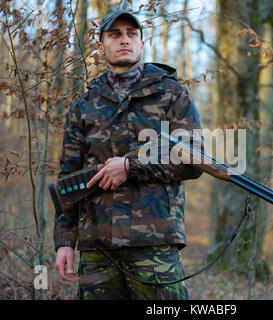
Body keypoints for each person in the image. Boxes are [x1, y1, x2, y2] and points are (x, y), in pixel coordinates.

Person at [54, 10, 203, 300]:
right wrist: (64, 241)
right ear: (101, 47)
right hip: (97, 247)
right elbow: (68, 178)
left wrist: (129, 166)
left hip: (155, 244)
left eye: (132, 34)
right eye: (115, 34)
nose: (125, 40)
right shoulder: (83, 106)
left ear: (142, 44)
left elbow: (194, 159)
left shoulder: (172, 94)